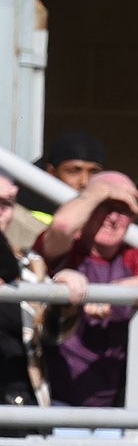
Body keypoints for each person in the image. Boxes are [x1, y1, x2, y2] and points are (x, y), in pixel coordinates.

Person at [32, 170, 138, 407]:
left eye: (123, 210)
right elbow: (61, 226)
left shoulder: (131, 259)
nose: (113, 218)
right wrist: (100, 190)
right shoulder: (66, 252)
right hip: (53, 406)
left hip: (113, 413)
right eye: (105, 206)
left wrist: (118, 290)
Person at [0, 171, 52, 409]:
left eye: (6, 203)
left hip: (20, 409)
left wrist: (69, 280)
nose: (1, 210)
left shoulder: (29, 264)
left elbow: (57, 331)